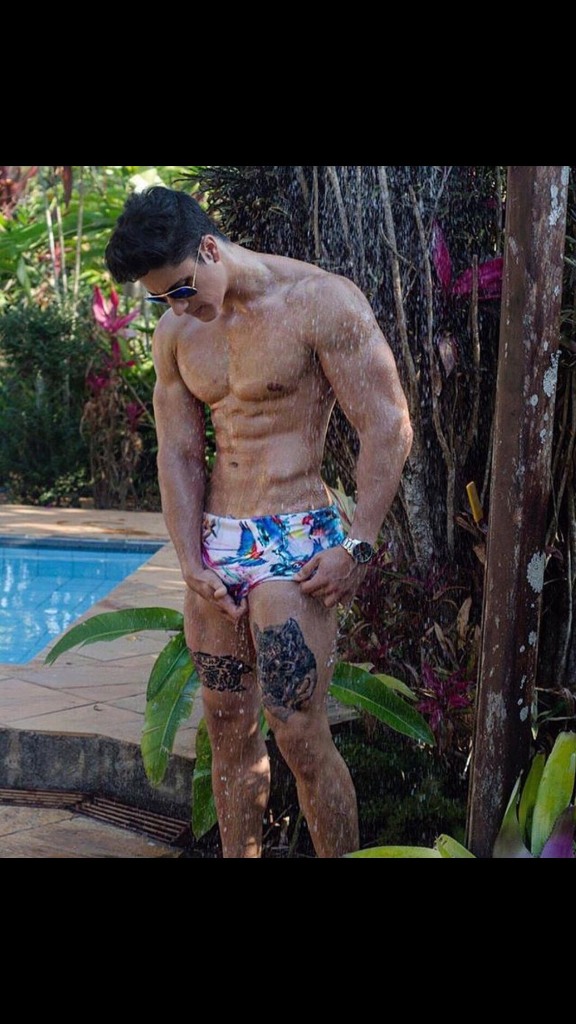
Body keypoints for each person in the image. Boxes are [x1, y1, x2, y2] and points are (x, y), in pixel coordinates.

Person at [105, 184, 413, 859]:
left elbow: (386, 425)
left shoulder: (321, 301)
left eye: (182, 289)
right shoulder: (178, 333)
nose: (177, 307)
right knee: (226, 728)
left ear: (209, 249)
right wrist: (190, 561)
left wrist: (359, 543)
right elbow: (178, 453)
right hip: (218, 542)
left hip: (296, 538)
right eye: (161, 299)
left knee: (298, 730)